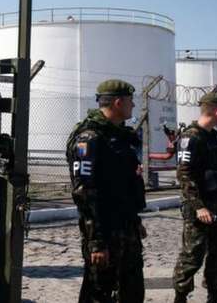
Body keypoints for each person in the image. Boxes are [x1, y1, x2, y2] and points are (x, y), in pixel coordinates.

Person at [66, 79, 146, 303]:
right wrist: (96, 243)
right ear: (119, 102)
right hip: (104, 231)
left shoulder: (119, 137)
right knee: (99, 293)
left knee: (132, 291)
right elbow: (84, 193)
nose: (133, 106)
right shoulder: (90, 139)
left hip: (126, 227)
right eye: (131, 101)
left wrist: (135, 221)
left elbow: (125, 185)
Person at [172, 92, 217, 303]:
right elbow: (184, 175)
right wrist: (199, 207)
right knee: (192, 258)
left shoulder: (214, 137)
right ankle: (180, 297)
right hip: (200, 210)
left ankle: (214, 297)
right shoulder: (191, 137)